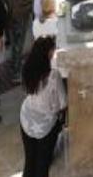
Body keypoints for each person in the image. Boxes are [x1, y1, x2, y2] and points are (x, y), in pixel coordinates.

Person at [20, 36, 66, 177]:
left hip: (26, 119)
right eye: (53, 50)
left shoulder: (27, 68)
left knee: (30, 161)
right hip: (45, 126)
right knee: (42, 164)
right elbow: (63, 103)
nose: (54, 53)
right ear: (48, 53)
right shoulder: (53, 76)